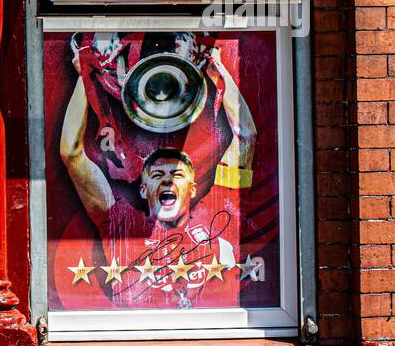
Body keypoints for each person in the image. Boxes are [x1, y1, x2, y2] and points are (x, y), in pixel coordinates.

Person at [59, 45, 256, 308]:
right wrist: (85, 75)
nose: (168, 180)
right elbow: (71, 153)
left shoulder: (219, 213)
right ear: (142, 188)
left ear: (194, 187)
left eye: (176, 174)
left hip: (212, 334)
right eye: (157, 174)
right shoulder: (122, 224)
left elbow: (246, 137)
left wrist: (217, 68)